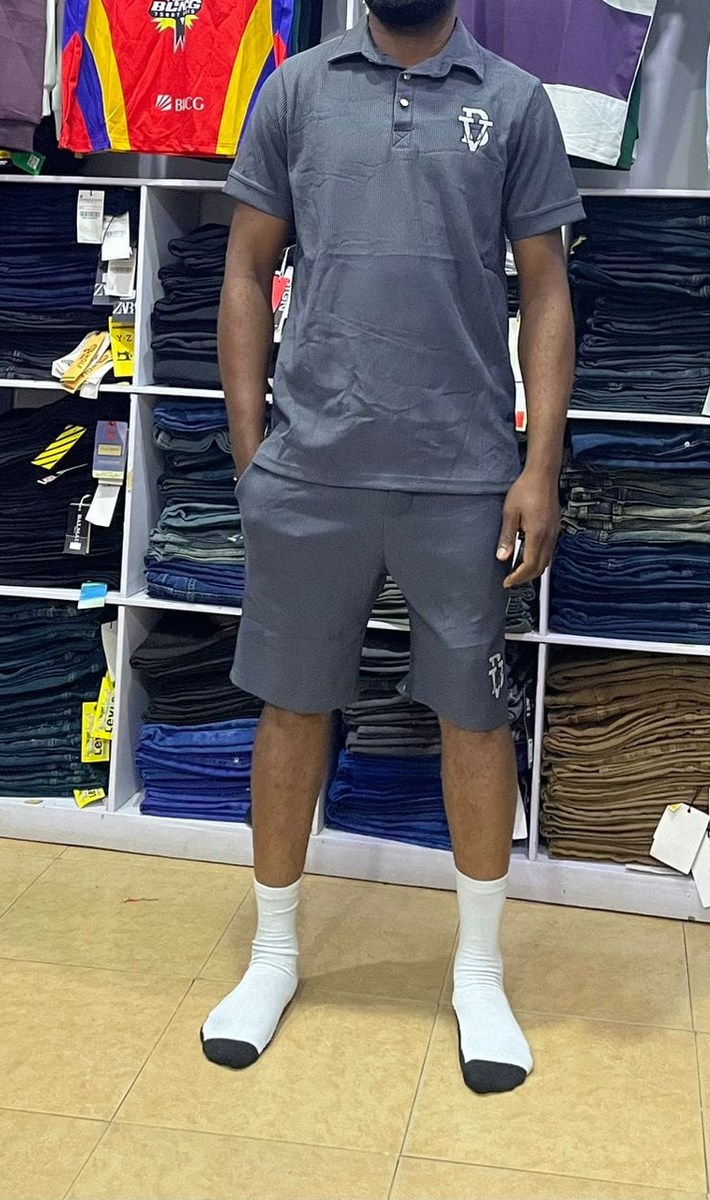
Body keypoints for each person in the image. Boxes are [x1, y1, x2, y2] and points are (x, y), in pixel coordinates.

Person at [201, 0, 583, 1095]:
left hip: (462, 472)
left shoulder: (513, 102)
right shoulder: (294, 89)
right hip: (311, 468)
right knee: (290, 707)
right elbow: (244, 267)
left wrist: (537, 466)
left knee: (473, 717)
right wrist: (251, 453)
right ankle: (273, 956)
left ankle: (479, 975)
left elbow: (544, 288)